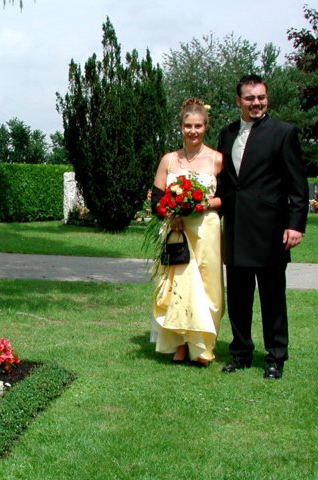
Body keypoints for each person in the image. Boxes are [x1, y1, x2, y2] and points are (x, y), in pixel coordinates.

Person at [217, 74, 308, 379]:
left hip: (270, 231)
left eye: (261, 98)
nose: (257, 103)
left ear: (267, 99)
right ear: (238, 101)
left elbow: (298, 185)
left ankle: (275, 357)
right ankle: (241, 353)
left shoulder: (284, 133)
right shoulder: (226, 134)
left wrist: (295, 225)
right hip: (236, 230)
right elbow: (224, 184)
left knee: (272, 298)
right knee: (239, 298)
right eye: (250, 98)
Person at [150, 98, 224, 367]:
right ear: (180, 127)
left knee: (207, 287)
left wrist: (202, 204)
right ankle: (181, 344)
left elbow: (226, 198)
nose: (192, 131)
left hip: (206, 230)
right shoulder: (169, 160)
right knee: (179, 286)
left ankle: (203, 347)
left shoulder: (217, 159)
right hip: (176, 230)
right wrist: (172, 214)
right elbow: (156, 199)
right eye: (187, 125)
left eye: (198, 126)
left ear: (205, 127)